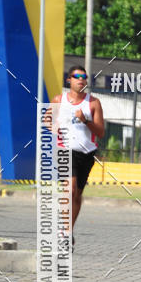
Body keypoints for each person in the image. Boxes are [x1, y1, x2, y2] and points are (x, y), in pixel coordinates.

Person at [51, 65, 105, 247]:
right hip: (65, 149)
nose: (81, 79)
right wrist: (54, 126)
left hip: (87, 152)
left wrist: (85, 120)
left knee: (77, 194)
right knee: (70, 188)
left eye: (84, 77)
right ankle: (63, 231)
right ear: (69, 80)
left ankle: (68, 230)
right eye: (77, 76)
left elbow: (100, 131)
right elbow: (47, 121)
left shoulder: (93, 103)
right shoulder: (59, 100)